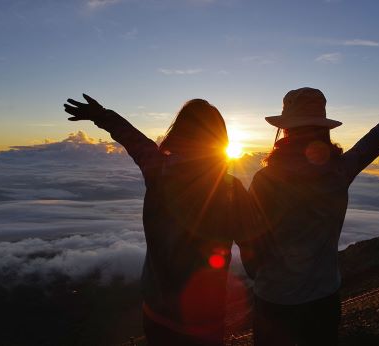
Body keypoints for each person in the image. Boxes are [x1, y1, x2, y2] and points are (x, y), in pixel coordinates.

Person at [64, 95, 253, 346]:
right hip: (206, 315)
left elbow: (134, 140)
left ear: (180, 132)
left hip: (158, 312)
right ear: (219, 140)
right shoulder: (232, 188)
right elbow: (252, 246)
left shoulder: (159, 170)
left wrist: (101, 115)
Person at [244, 87, 379, 345]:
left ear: (285, 129)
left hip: (274, 299)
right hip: (322, 298)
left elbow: (250, 242)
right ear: (324, 129)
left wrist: (259, 271)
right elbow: (370, 144)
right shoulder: (339, 171)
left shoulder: (265, 179)